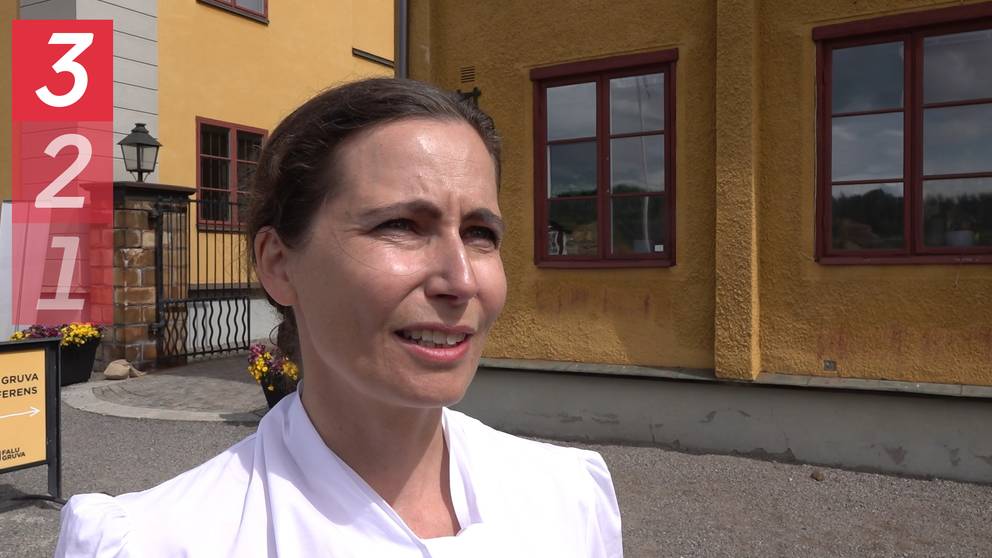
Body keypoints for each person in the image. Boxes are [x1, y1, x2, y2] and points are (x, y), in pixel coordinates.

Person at [54, 78, 623, 557]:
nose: (462, 280)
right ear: (279, 264)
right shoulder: (156, 542)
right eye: (400, 225)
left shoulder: (566, 500)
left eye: (480, 233)